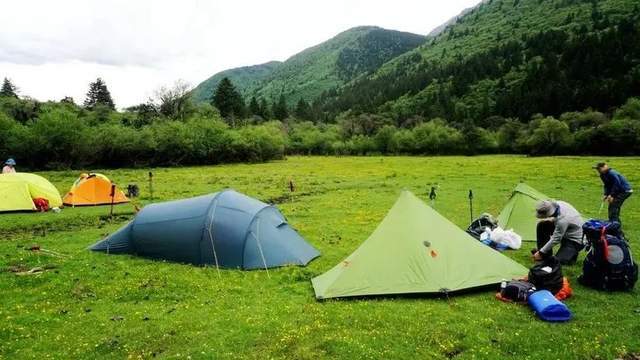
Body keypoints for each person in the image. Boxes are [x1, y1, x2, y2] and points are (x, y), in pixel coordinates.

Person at [532, 200, 584, 265]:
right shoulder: (558, 204)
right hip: (567, 231)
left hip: (575, 240)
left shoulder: (563, 220)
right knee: (542, 225)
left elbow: (556, 238)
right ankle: (545, 255)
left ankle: (572, 253)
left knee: (555, 262)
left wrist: (541, 252)